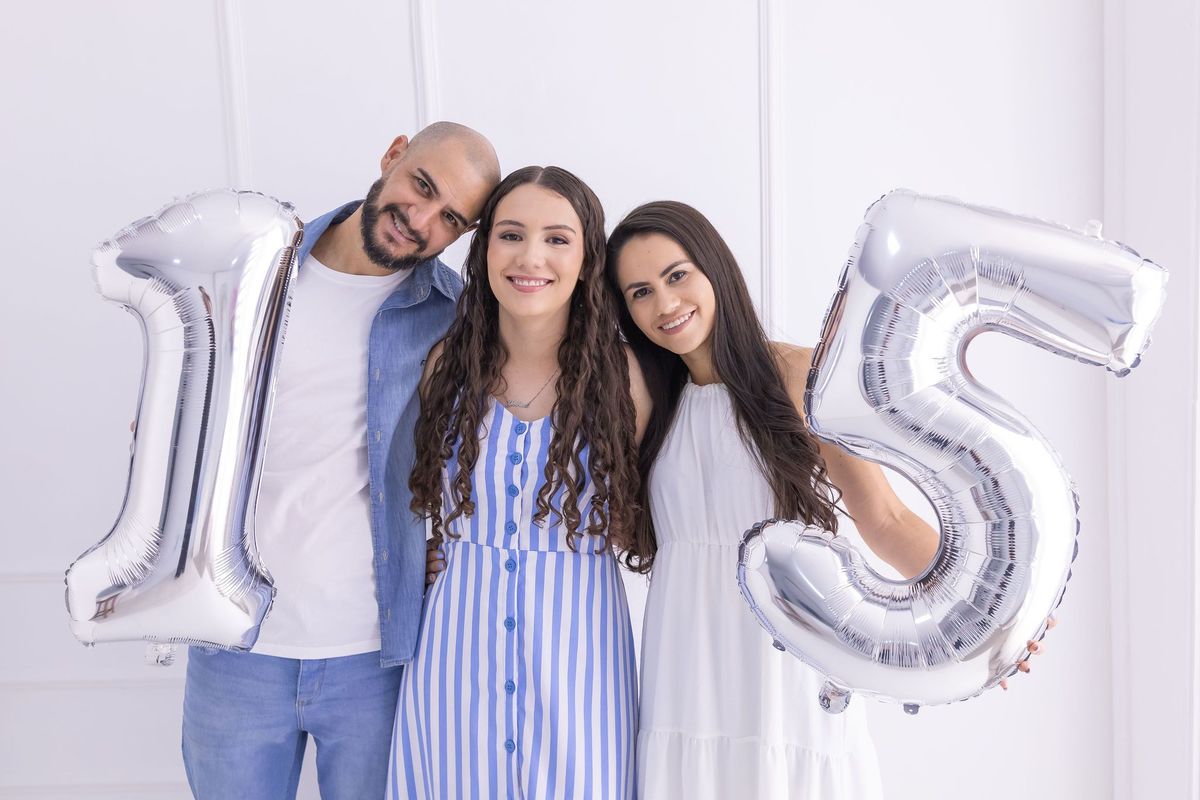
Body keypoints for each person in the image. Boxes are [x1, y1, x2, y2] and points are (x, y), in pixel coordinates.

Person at [181, 122, 500, 799]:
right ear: (393, 154)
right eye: (422, 186)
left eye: (451, 219)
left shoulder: (455, 317)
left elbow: (496, 446)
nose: (421, 221)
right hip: (235, 646)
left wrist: (450, 542)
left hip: (374, 658)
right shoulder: (253, 269)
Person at [605, 200, 941, 799]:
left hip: (785, 661)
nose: (665, 304)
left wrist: (980, 612)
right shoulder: (648, 403)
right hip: (684, 669)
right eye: (640, 292)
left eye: (677, 275)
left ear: (714, 268)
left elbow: (884, 518)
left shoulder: (797, 376)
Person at [390, 166, 652, 799]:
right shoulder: (445, 363)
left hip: (579, 663)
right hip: (454, 655)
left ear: (587, 260)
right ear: (484, 250)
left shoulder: (625, 377)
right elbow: (388, 482)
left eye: (557, 239)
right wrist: (409, 555)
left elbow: (661, 510)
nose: (531, 257)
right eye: (510, 235)